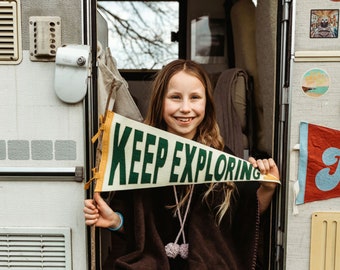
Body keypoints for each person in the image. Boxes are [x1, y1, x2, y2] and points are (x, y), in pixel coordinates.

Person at [84, 59, 279, 270]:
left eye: (195, 98)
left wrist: (267, 186)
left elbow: (246, 214)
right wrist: (115, 221)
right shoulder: (141, 153)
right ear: (160, 102)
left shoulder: (220, 156)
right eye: (175, 98)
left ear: (207, 104)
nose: (185, 108)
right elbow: (134, 220)